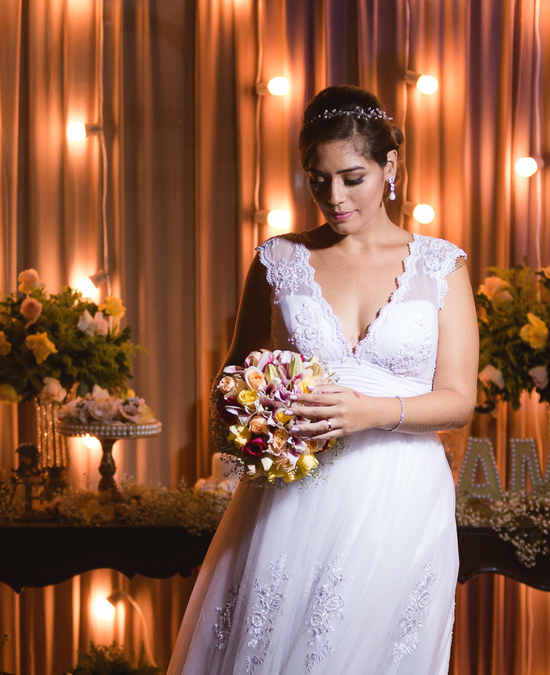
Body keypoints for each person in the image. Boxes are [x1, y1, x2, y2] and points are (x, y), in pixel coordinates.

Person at [167, 84, 478, 674]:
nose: (334, 198)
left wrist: (371, 412)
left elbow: (460, 400)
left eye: (352, 178)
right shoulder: (277, 260)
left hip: (402, 497)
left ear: (390, 167)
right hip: (294, 499)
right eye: (318, 180)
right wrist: (256, 421)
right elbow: (231, 383)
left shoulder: (441, 265)